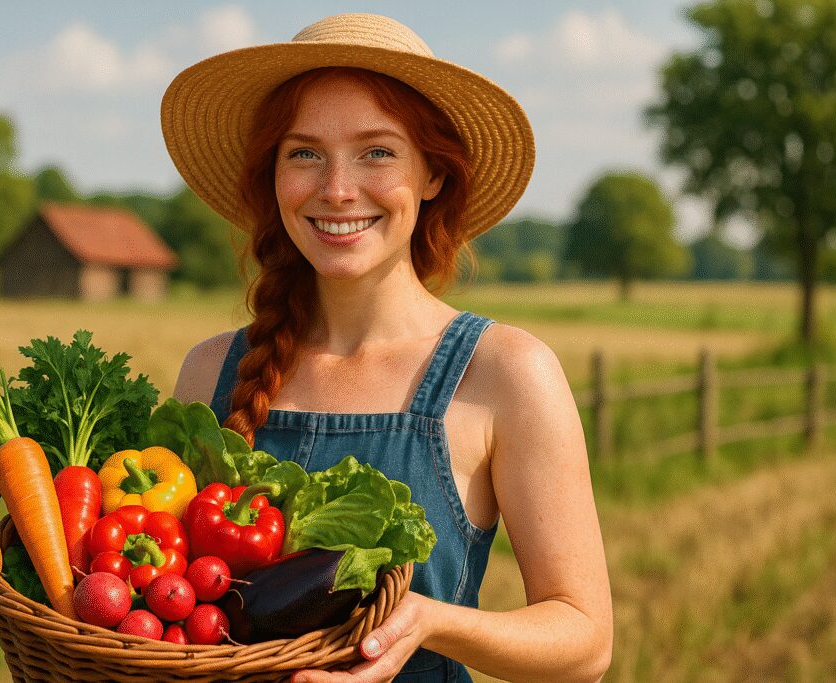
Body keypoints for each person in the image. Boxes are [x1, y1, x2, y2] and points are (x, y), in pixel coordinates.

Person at [161, 13, 612, 683]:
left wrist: (431, 621)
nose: (337, 189)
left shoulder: (503, 373)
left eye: (377, 151)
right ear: (274, 177)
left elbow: (585, 640)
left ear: (433, 174)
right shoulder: (209, 372)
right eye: (304, 152)